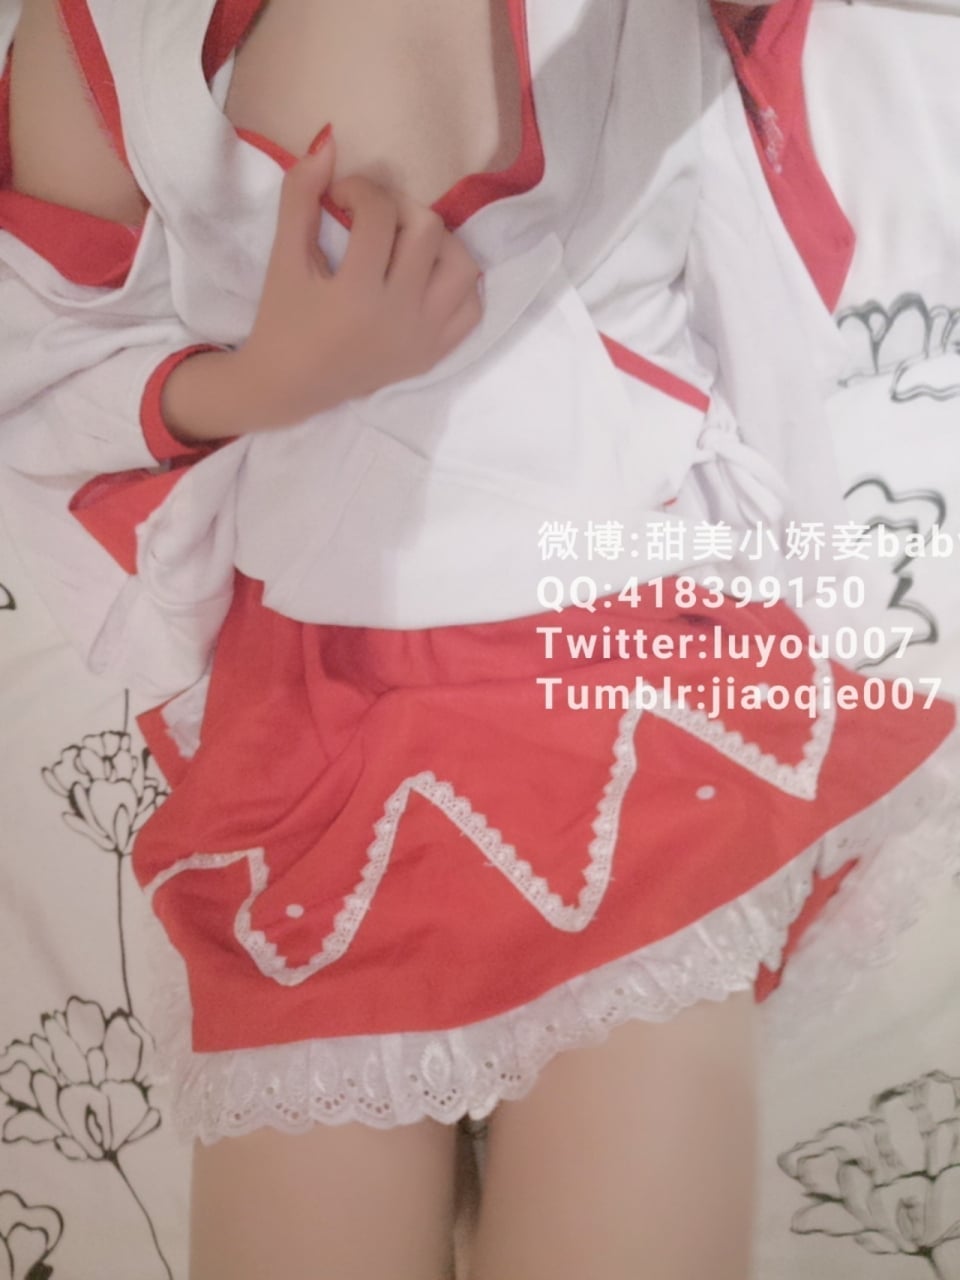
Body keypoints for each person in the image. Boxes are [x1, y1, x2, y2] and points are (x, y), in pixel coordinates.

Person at [2, 1, 957, 1277]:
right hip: (325, 733)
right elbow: (40, 362)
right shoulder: (101, 33)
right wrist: (266, 381)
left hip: (639, 674)